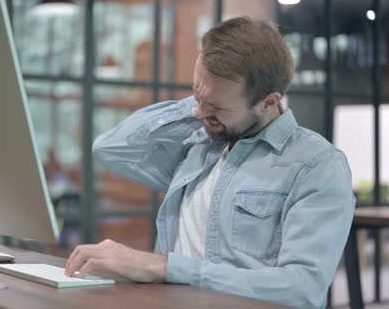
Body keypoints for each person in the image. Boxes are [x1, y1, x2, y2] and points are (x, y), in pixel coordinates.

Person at [64, 17, 355, 308]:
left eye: (216, 107)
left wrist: (163, 267)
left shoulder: (317, 166)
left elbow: (302, 289)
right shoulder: (199, 146)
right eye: (196, 94)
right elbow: (111, 148)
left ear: (269, 102)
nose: (201, 114)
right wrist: (202, 101)